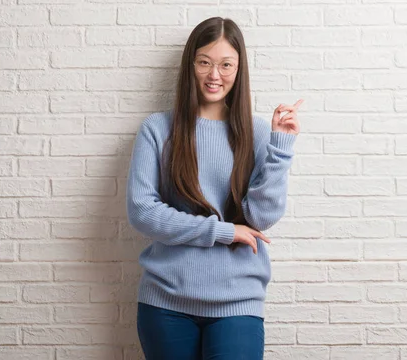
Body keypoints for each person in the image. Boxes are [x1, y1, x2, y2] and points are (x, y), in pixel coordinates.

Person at [125, 16, 303, 360]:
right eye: (204, 62)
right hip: (166, 302)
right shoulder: (158, 129)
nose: (214, 75)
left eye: (226, 65)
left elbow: (261, 218)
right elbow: (142, 213)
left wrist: (281, 146)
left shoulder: (256, 132)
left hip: (238, 301)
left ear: (239, 70)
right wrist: (222, 231)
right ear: (191, 64)